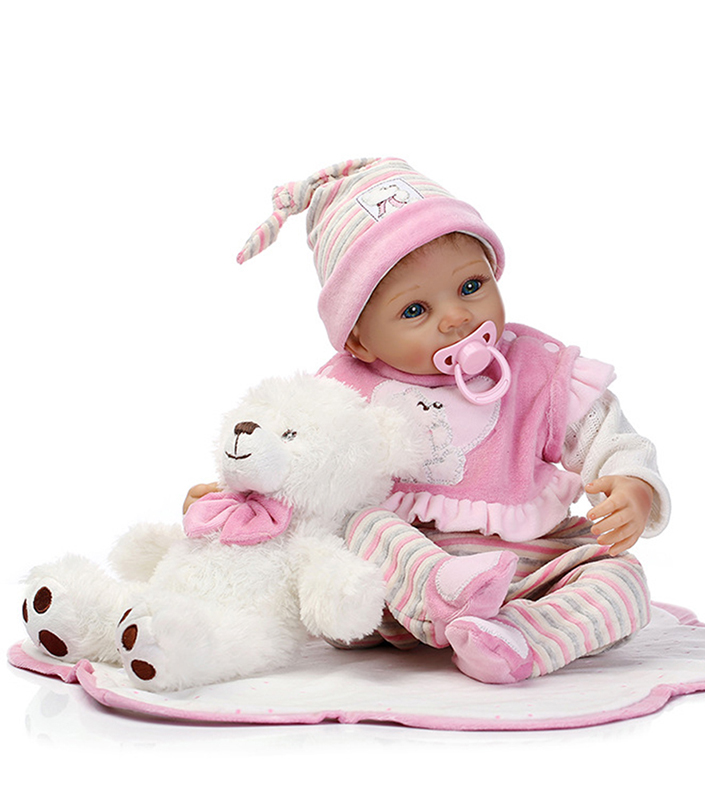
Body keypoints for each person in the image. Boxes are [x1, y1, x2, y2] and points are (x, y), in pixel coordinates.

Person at [186, 157, 670, 684]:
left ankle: (520, 639)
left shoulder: (537, 371)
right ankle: (445, 596)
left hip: (530, 572)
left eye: (471, 286)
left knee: (623, 579)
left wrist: (632, 485)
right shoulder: (340, 390)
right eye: (415, 310)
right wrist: (237, 498)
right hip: (395, 589)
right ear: (358, 339)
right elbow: (290, 463)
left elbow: (607, 436)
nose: (457, 316)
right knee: (358, 525)